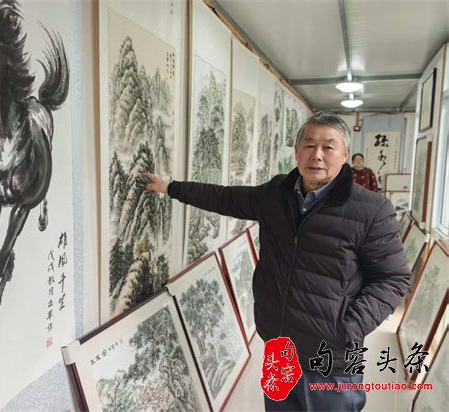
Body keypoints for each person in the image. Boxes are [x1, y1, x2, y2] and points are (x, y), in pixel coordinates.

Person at [142, 112, 410, 411]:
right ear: (297, 152)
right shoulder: (276, 194)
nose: (317, 155)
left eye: (328, 147)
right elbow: (225, 198)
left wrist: (351, 326)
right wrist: (170, 187)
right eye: (309, 144)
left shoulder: (371, 209)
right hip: (280, 344)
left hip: (330, 354)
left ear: (345, 155)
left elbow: (394, 278)